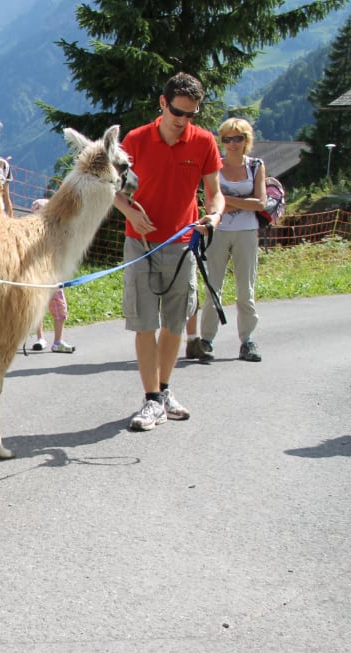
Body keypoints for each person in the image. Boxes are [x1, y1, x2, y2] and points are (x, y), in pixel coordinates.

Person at [112, 72, 225, 431]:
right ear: (163, 104)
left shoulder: (204, 142)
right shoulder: (136, 140)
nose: (183, 121)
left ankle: (163, 391)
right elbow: (110, 187)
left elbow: (215, 192)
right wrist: (129, 210)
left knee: (174, 323)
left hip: (182, 244)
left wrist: (215, 215)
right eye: (178, 112)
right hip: (140, 244)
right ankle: (151, 401)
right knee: (144, 323)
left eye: (191, 115)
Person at [196, 117, 266, 362]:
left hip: (247, 233)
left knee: (245, 289)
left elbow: (261, 203)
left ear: (246, 140)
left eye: (238, 138)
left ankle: (247, 340)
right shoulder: (215, 166)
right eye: (227, 139)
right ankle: (206, 340)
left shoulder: (256, 166)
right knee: (213, 287)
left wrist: (226, 200)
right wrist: (239, 203)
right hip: (219, 231)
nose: (232, 143)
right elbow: (211, 202)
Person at [30, 198, 74, 353]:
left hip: (54, 280)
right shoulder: (31, 237)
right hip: (38, 280)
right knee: (38, 309)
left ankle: (58, 340)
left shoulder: (58, 235)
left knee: (60, 309)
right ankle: (40, 338)